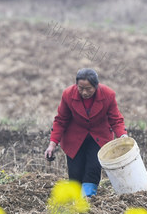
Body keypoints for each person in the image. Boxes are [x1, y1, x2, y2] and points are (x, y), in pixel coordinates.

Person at [44, 68, 127, 197]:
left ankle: (88, 199)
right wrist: (52, 144)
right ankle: (75, 200)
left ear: (96, 86)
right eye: (81, 88)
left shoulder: (108, 95)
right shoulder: (68, 95)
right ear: (76, 85)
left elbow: (116, 119)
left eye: (88, 89)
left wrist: (123, 136)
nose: (84, 92)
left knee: (92, 169)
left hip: (98, 137)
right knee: (75, 172)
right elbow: (60, 121)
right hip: (74, 138)